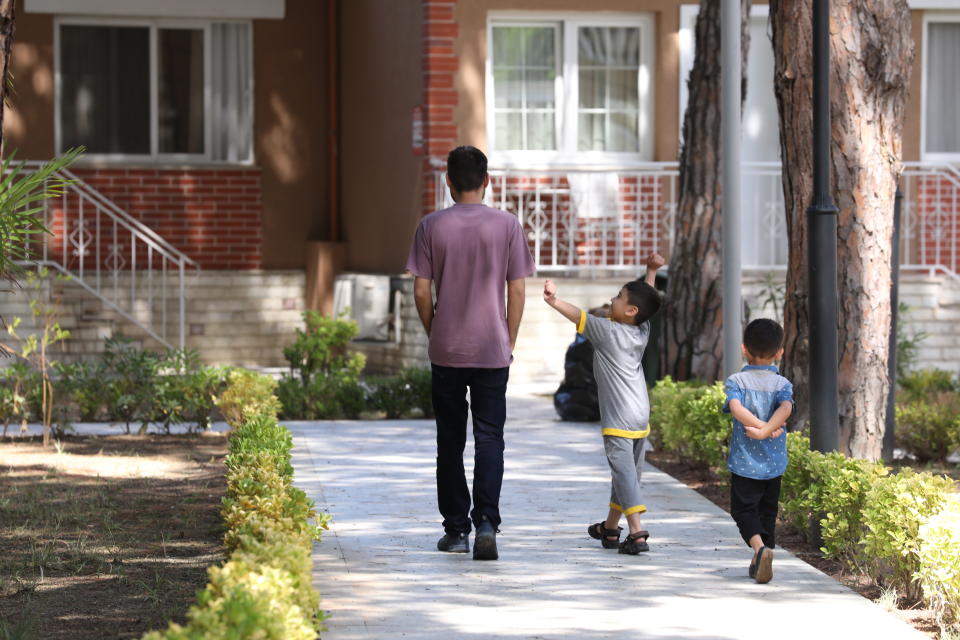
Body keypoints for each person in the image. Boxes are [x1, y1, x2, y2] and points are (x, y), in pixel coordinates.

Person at [405, 145, 536, 561]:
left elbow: (421, 289)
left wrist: (434, 330)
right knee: (490, 438)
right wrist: (508, 337)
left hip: (447, 349)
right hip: (492, 349)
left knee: (449, 441)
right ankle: (486, 524)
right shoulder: (508, 225)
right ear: (487, 180)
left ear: (448, 181)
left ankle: (456, 530)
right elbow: (517, 288)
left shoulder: (431, 226)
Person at [542, 253, 665, 554]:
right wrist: (650, 271)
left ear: (631, 310)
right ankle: (610, 529)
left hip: (619, 419)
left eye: (620, 297)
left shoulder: (607, 331)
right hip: (640, 416)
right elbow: (646, 303)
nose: (613, 298)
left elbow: (577, 315)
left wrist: (554, 300)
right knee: (626, 474)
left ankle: (637, 532)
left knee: (624, 474)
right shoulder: (640, 330)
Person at [722, 318, 793, 583]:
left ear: (744, 349)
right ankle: (763, 556)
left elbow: (737, 409)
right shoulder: (782, 384)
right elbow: (786, 409)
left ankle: (758, 549)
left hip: (744, 462)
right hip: (774, 462)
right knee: (768, 511)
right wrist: (768, 428)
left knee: (743, 511)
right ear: (780, 353)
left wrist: (759, 428)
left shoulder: (736, 380)